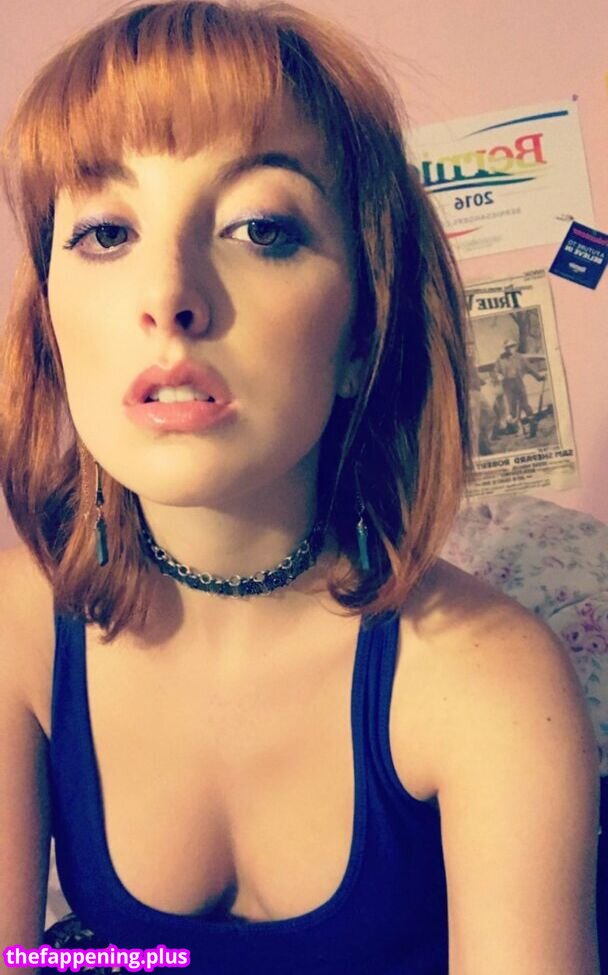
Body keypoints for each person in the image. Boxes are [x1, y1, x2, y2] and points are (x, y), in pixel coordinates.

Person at [0, 2, 600, 973]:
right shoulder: (18, 631)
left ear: (363, 330)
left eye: (260, 227)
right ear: (52, 324)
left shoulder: (488, 679)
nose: (168, 295)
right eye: (106, 231)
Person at [494, 338, 546, 435]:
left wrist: (539, 377)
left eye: (513, 346)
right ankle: (519, 429)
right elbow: (496, 371)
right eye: (508, 347)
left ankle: (532, 428)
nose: (511, 348)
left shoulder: (520, 358)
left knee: (525, 405)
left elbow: (530, 368)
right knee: (512, 408)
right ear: (505, 348)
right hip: (507, 385)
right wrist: (498, 375)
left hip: (518, 383)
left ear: (515, 346)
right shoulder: (500, 359)